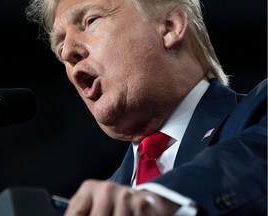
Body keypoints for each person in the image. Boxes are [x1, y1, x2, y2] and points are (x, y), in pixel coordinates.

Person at [25, 0, 267, 215]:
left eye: (90, 21)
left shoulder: (258, 113)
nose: (67, 52)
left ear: (169, 26)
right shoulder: (104, 205)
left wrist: (162, 198)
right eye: (59, 47)